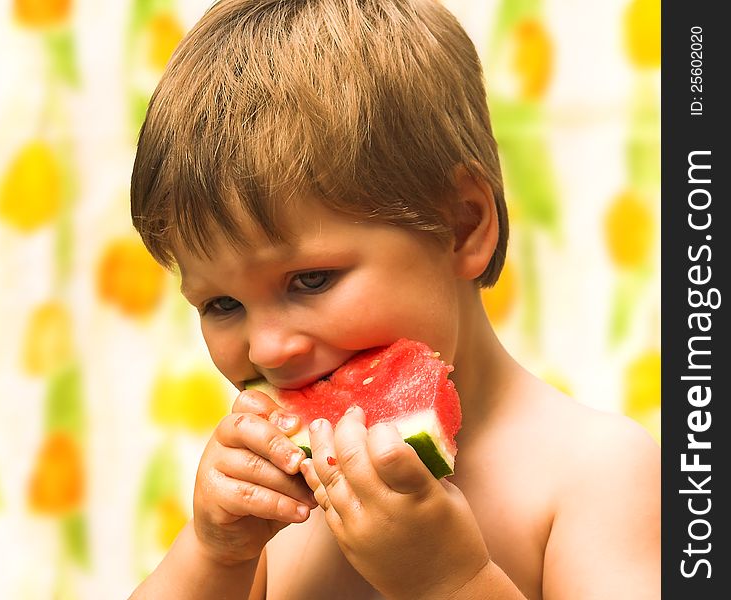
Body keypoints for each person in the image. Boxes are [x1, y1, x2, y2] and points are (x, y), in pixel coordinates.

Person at [128, 0, 661, 597]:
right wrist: (212, 554)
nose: (269, 349)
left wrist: (450, 581)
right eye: (222, 305)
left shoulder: (597, 474)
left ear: (460, 225)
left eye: (310, 280)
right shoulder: (272, 509)